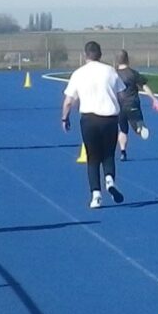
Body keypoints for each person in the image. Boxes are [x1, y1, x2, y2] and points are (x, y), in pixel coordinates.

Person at [59, 40, 128, 209]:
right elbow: (122, 95)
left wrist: (65, 118)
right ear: (100, 54)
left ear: (85, 55)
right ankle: (109, 179)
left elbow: (68, 101)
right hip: (109, 119)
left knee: (93, 157)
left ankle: (96, 196)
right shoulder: (110, 71)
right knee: (109, 154)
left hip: (89, 120)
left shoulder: (79, 73)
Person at [114, 51, 154, 155]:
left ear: (117, 61)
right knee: (138, 121)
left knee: (123, 130)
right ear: (127, 59)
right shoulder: (133, 73)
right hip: (132, 104)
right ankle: (139, 128)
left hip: (119, 106)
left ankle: (123, 151)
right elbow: (144, 86)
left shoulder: (114, 74)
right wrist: (154, 99)